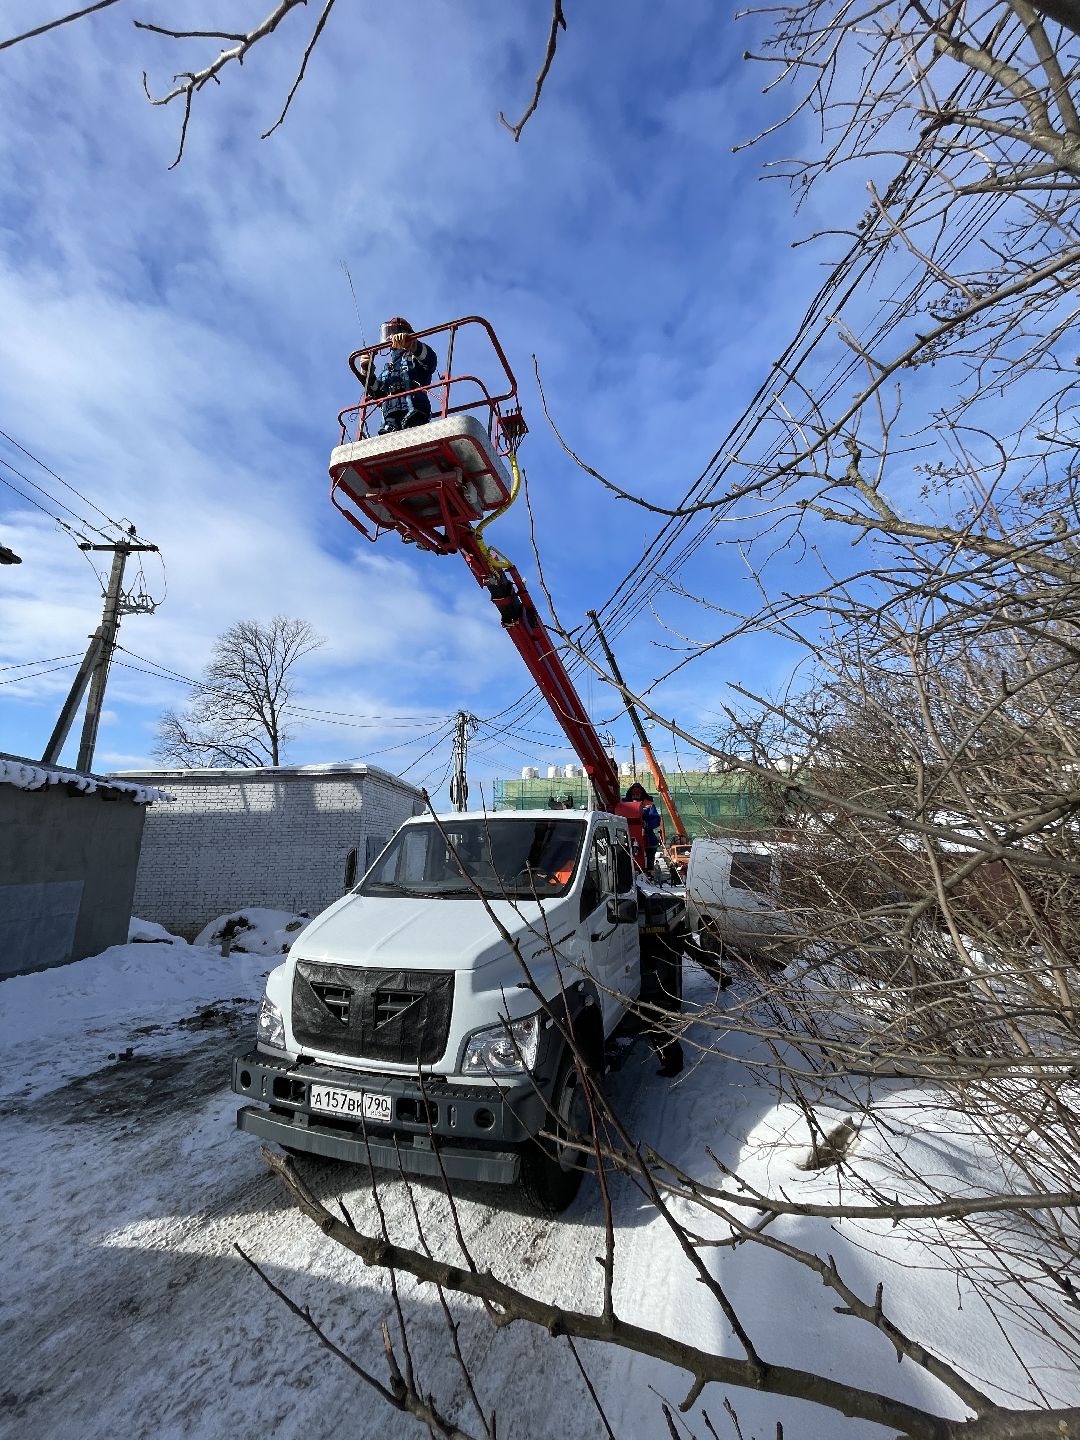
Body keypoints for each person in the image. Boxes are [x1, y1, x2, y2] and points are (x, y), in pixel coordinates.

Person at [358, 317, 438, 434]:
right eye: (388, 334)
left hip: (415, 411)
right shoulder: (388, 370)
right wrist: (366, 370)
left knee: (415, 430)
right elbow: (376, 392)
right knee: (386, 437)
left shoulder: (414, 359)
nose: (391, 337)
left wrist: (412, 344)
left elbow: (430, 361)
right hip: (390, 416)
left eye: (394, 332)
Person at [624, 782, 661, 874]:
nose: (636, 795)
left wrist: (647, 824)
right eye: (634, 794)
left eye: (637, 793)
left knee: (652, 846)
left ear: (641, 793)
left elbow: (656, 819)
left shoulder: (648, 804)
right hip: (626, 834)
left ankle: (649, 870)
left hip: (647, 835)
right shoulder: (624, 803)